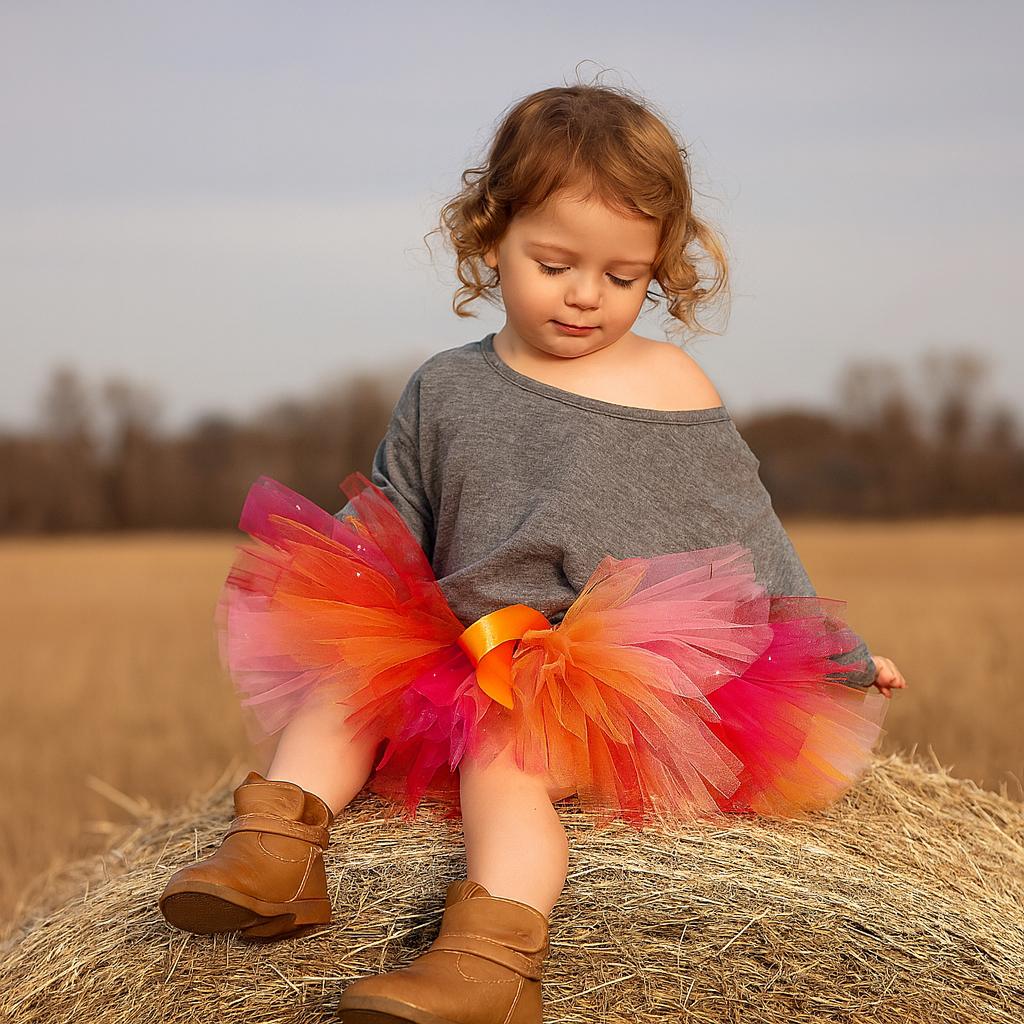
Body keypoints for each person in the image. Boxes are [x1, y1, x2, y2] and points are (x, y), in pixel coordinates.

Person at [159, 81, 908, 1024]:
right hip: (465, 648)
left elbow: (752, 541)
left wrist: (840, 661)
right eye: (553, 262)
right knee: (343, 691)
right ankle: (271, 852)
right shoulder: (446, 386)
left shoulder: (670, 387)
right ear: (490, 237)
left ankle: (491, 960)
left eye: (624, 277)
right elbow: (392, 513)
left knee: (503, 759)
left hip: (608, 674)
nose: (586, 295)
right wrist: (330, 592)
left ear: (660, 271)